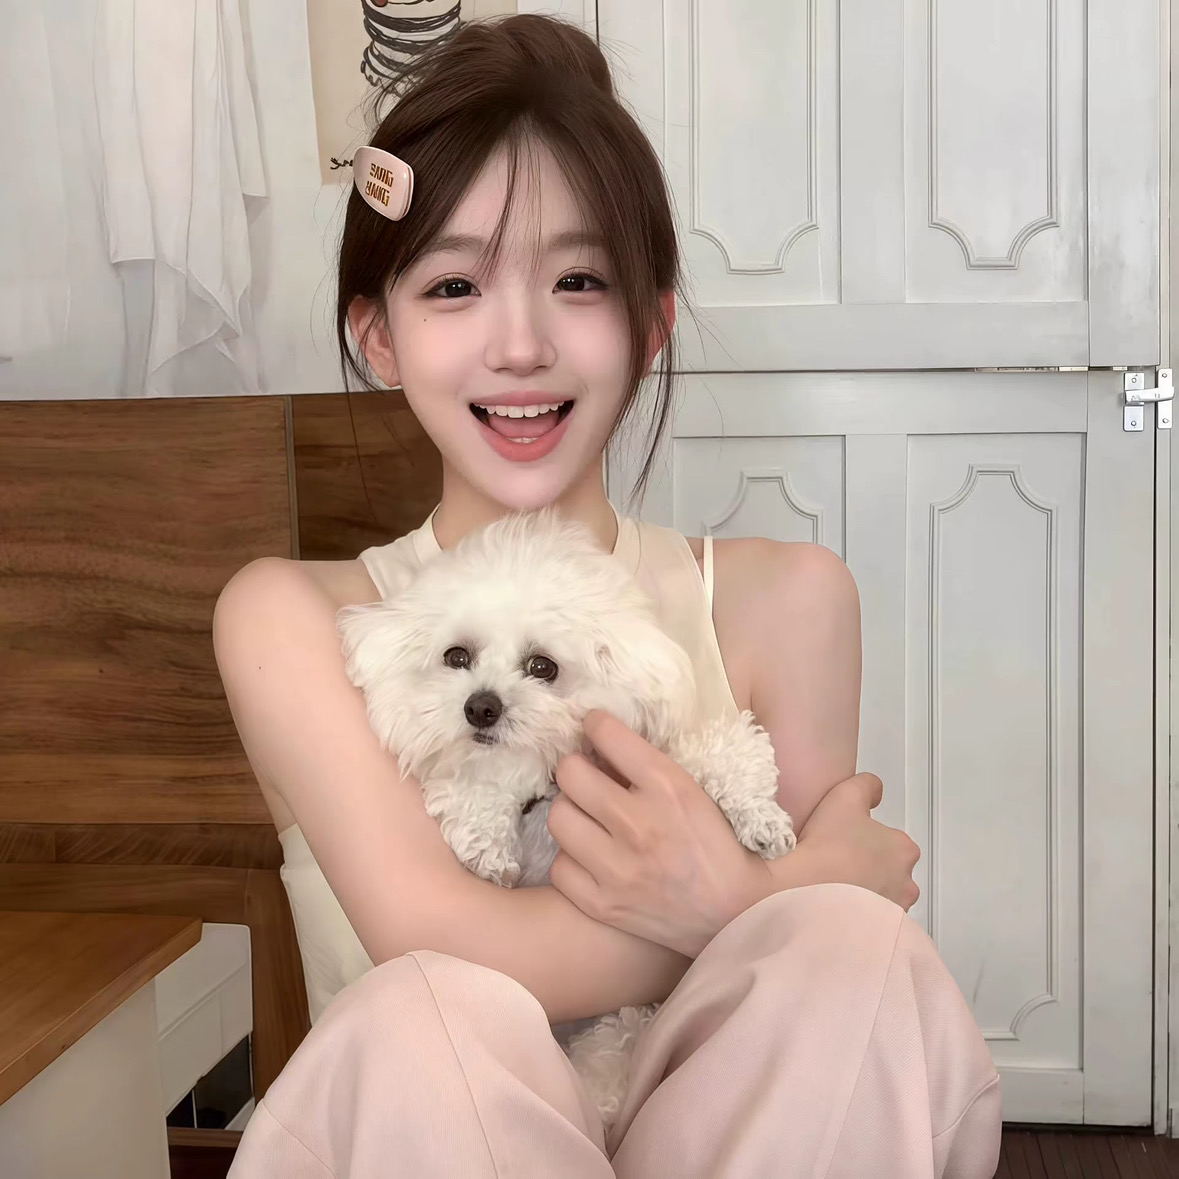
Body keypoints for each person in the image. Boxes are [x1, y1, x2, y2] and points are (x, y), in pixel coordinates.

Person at [213, 14, 1001, 1178]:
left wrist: (796, 910)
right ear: (378, 336)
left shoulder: (789, 602)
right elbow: (442, 942)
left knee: (848, 959)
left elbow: (795, 997)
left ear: (650, 322)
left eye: (577, 280)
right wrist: (774, 891)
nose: (520, 344)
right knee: (429, 1018)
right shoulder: (296, 620)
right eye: (455, 285)